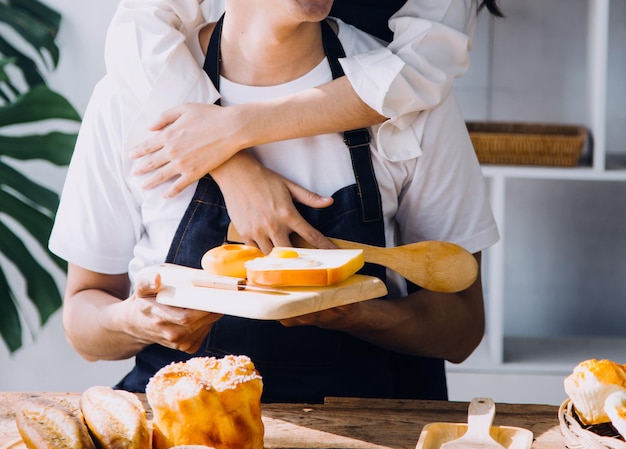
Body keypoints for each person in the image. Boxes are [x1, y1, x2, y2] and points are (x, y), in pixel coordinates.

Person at [49, 0, 499, 403]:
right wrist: (137, 319)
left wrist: (360, 314)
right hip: (180, 423)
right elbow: (84, 322)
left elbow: (460, 329)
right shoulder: (132, 95)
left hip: (365, 432)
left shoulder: (409, 99)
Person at [104, 0, 502, 252]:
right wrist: (231, 165)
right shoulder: (123, 98)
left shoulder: (424, 109)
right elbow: (140, 26)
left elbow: (420, 69)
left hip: (385, 111)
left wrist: (234, 129)